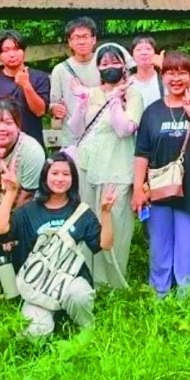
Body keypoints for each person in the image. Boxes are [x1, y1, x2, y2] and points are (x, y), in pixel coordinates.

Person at [0, 152, 115, 338]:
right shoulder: (29, 211)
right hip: (39, 284)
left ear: (73, 179)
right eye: (54, 173)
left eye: (66, 174)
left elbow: (104, 244)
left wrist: (105, 213)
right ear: (45, 177)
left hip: (71, 280)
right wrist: (10, 192)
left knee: (79, 297)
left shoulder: (81, 212)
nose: (60, 179)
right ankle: (53, 314)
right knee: (34, 334)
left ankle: (85, 327)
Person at [133, 52, 190, 296]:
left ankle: (187, 294)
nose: (176, 78)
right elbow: (142, 153)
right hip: (159, 190)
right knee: (159, 244)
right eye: (170, 72)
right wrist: (138, 188)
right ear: (162, 77)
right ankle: (159, 291)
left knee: (189, 245)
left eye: (182, 72)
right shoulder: (152, 112)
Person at [66, 43, 143, 288]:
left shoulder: (132, 94)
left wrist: (114, 102)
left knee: (116, 224)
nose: (110, 67)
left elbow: (123, 130)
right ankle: (92, 276)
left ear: (124, 65)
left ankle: (115, 282)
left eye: (115, 62)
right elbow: (76, 129)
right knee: (90, 221)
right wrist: (80, 104)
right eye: (104, 63)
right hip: (88, 168)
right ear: (98, 67)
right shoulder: (91, 93)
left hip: (117, 169)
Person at [0, 99, 47, 293]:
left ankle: (26, 283)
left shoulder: (32, 150)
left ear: (18, 126)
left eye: (8, 123)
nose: (1, 128)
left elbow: (28, 194)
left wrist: (10, 231)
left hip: (25, 204)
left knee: (19, 246)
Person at [0, 29, 51, 144]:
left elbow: (40, 111)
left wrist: (26, 85)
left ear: (24, 51)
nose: (12, 54)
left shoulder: (40, 78)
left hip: (33, 145)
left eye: (16, 49)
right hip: (2, 147)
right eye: (6, 50)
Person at [49, 16, 100, 147]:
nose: (81, 41)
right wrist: (55, 109)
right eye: (76, 37)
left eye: (85, 36)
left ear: (94, 39)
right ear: (70, 42)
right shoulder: (60, 70)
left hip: (101, 136)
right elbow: (54, 103)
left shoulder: (104, 64)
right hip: (72, 139)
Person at [129, 35, 164, 111]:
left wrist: (163, 66)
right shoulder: (127, 83)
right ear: (132, 55)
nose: (144, 53)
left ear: (155, 53)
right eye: (139, 49)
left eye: (148, 49)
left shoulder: (164, 80)